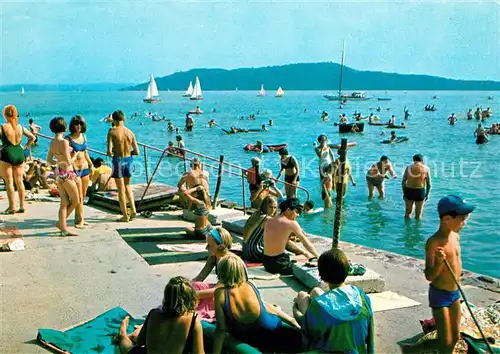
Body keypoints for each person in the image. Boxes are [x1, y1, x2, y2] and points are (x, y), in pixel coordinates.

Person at [403, 196, 475, 354]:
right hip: (439, 295)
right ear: (447, 218)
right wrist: (440, 262)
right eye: (462, 219)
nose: (465, 223)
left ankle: (412, 350)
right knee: (446, 342)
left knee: (455, 338)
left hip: (455, 294)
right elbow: (429, 275)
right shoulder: (434, 243)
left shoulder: (456, 237)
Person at [212, 254, 301, 354]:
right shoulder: (251, 285)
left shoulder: (220, 294)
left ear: (221, 271)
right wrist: (292, 321)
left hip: (245, 335)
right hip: (269, 329)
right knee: (270, 308)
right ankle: (292, 322)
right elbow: (262, 306)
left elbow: (221, 328)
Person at [293, 249, 374, 353]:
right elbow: (370, 328)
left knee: (302, 296)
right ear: (347, 271)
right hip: (358, 349)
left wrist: (295, 309)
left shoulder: (320, 306)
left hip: (330, 350)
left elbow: (308, 330)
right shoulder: (361, 295)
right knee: (316, 291)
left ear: (322, 276)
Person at [115, 276, 205, 354]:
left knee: (128, 348)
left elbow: (140, 341)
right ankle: (127, 333)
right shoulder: (193, 320)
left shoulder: (153, 313)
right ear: (191, 298)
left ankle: (123, 334)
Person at [263, 199, 319, 275]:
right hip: (279, 264)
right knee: (308, 265)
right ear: (288, 210)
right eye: (297, 212)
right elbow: (306, 243)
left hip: (266, 262)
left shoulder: (269, 220)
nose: (298, 215)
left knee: (301, 257)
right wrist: (318, 257)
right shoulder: (292, 223)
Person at [47, 117, 82, 236]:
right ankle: (62, 225)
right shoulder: (64, 142)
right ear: (64, 127)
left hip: (59, 174)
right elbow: (68, 161)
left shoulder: (52, 142)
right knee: (76, 200)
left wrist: (59, 163)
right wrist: (75, 156)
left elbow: (49, 160)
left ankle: (62, 227)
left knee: (64, 202)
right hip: (67, 174)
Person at [191, 226, 234, 321]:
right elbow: (200, 277)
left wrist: (191, 294)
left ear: (221, 246)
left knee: (194, 296)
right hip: (223, 290)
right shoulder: (214, 256)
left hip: (232, 295)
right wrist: (186, 286)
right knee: (196, 285)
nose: (206, 248)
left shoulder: (228, 262)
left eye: (209, 245)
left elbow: (218, 290)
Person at [0, 105, 36, 214]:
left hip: (7, 154)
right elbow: (32, 137)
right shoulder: (20, 127)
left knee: (9, 182)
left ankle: (12, 207)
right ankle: (22, 206)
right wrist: (26, 147)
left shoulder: (2, 127)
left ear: (5, 115)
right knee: (19, 182)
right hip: (19, 153)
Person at [107, 110, 139, 222]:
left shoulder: (112, 132)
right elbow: (137, 151)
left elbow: (109, 152)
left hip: (118, 160)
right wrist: (129, 153)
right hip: (129, 159)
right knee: (128, 186)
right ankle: (133, 210)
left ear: (114, 120)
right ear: (124, 119)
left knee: (120, 190)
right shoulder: (130, 133)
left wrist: (114, 151)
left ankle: (125, 215)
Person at [67, 115, 94, 228]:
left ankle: (79, 218)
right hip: (76, 169)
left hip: (85, 169)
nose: (78, 126)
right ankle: (80, 219)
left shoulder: (84, 136)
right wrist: (72, 168)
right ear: (72, 126)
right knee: (78, 197)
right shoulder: (68, 139)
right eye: (76, 124)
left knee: (83, 195)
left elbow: (85, 152)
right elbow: (67, 156)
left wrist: (91, 164)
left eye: (80, 124)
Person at [243, 196, 277, 263]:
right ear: (265, 206)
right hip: (254, 253)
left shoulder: (256, 213)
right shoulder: (267, 219)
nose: (273, 210)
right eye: (270, 207)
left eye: (275, 207)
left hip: (246, 251)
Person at [402, 154, 432, 219]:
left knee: (407, 213)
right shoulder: (426, 168)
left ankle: (407, 228)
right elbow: (429, 184)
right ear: (422, 160)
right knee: (418, 215)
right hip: (420, 191)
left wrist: (404, 193)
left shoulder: (408, 167)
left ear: (413, 160)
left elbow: (403, 181)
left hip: (409, 191)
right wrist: (427, 194)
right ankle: (417, 228)